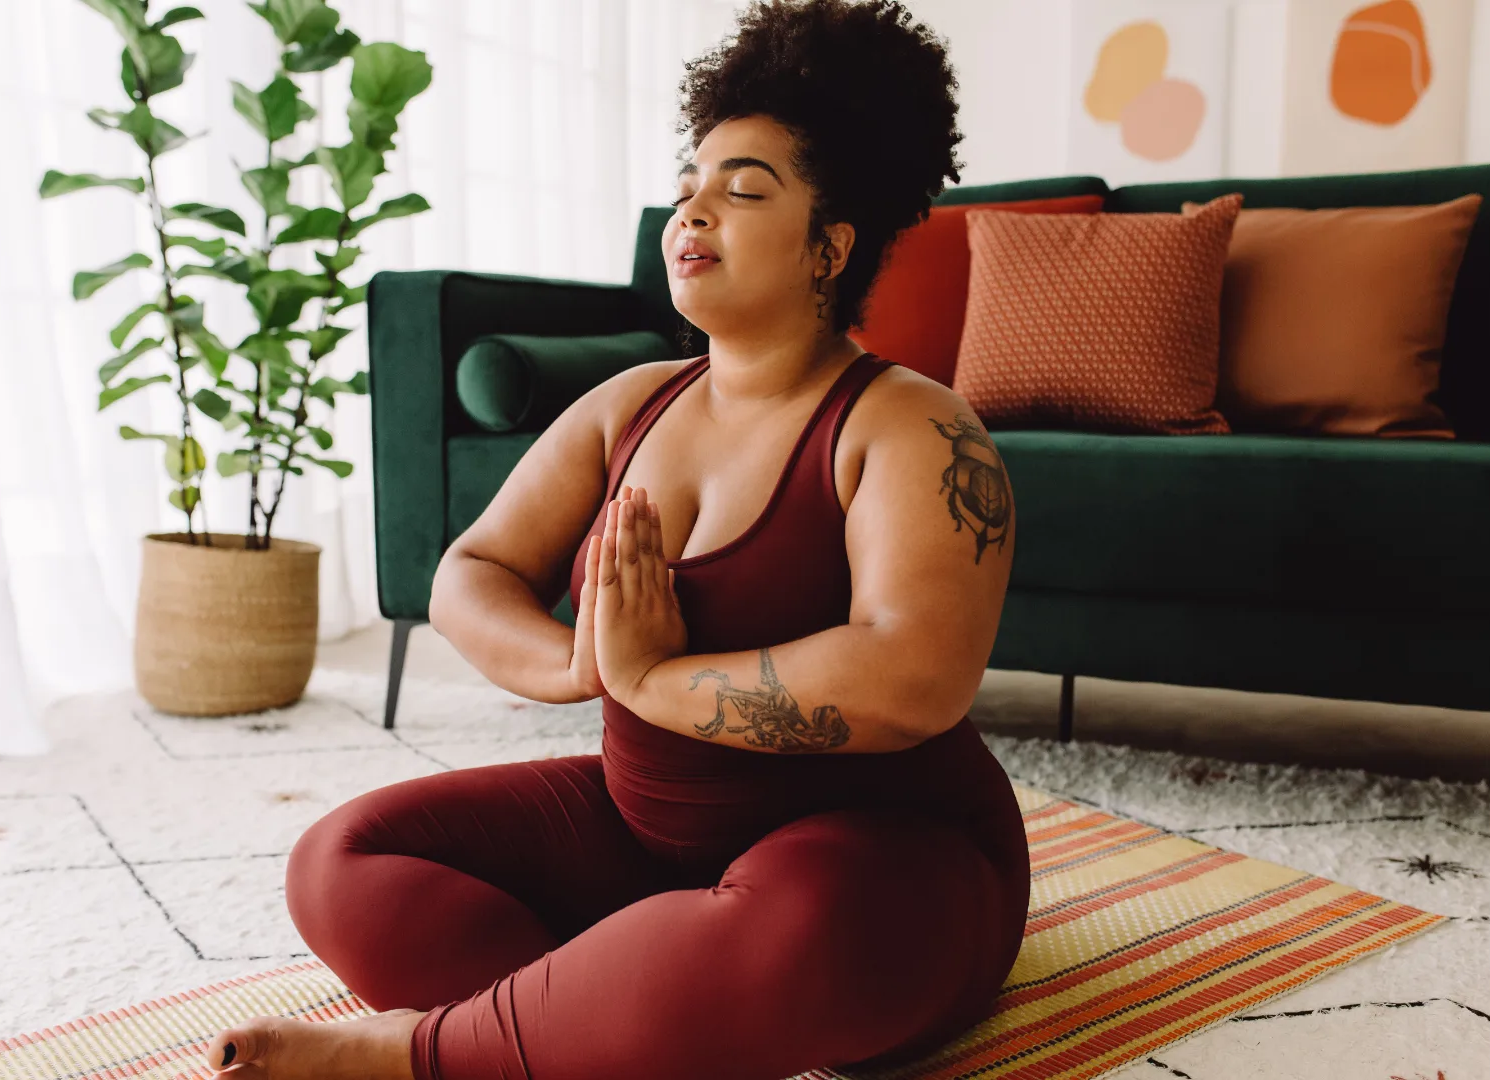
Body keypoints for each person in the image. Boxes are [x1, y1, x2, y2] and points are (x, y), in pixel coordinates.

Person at [207, 1, 1026, 1076]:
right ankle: (598, 1020)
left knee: (797, 936)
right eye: (688, 188)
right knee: (341, 860)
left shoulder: (910, 426)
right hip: (645, 844)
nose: (692, 211)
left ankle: (428, 1054)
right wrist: (578, 666)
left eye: (742, 191)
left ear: (830, 246)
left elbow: (913, 679)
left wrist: (648, 679)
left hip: (880, 859)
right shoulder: (629, 404)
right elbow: (470, 572)